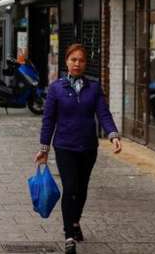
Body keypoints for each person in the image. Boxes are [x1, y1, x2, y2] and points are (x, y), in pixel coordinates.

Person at [34, 43, 122, 254]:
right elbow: (48, 120)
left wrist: (113, 135)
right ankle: (69, 236)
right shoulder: (56, 88)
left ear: (85, 64)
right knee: (70, 188)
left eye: (81, 60)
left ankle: (75, 221)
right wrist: (44, 148)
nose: (77, 64)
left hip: (88, 147)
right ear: (67, 62)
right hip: (64, 146)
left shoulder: (94, 88)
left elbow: (103, 114)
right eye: (73, 60)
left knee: (81, 190)